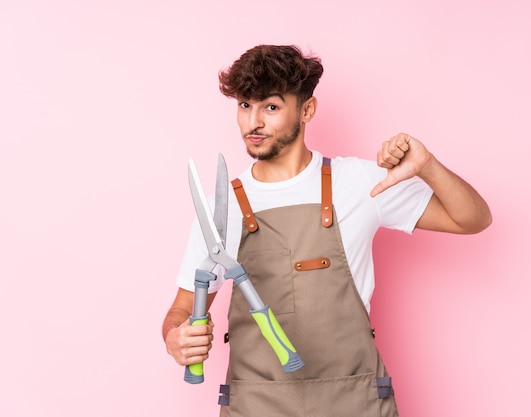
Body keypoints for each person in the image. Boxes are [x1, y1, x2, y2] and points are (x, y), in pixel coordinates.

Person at [162, 44, 492, 417]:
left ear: (307, 109)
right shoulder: (220, 209)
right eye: (244, 105)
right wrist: (176, 336)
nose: (252, 122)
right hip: (256, 406)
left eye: (270, 107)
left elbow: (473, 219)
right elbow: (182, 309)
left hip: (355, 402)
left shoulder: (359, 182)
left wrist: (427, 165)